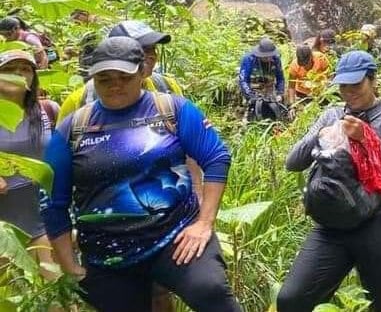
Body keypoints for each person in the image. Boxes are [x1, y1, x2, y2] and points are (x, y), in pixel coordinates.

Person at [42, 37, 239, 312]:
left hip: (176, 236)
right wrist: (69, 264)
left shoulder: (173, 109)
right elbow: (52, 199)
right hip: (107, 254)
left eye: (124, 76)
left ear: (142, 71)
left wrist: (204, 223)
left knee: (210, 291)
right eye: (104, 78)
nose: (114, 85)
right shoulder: (72, 128)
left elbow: (216, 157)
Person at [279, 51, 381, 312]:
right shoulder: (331, 115)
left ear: (373, 80)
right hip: (333, 222)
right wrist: (320, 134)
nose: (349, 91)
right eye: (343, 85)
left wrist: (368, 139)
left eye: (356, 84)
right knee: (292, 299)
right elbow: (292, 163)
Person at [0, 50, 57, 274]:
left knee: (55, 296)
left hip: (41, 217)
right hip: (4, 224)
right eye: (9, 69)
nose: (18, 74)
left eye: (25, 69)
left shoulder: (47, 111)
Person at [58, 20, 184, 122]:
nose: (151, 56)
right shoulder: (81, 100)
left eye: (153, 49)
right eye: (142, 49)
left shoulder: (167, 86)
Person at [238, 37, 286, 121]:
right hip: (253, 89)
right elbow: (243, 81)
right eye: (265, 57)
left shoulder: (276, 59)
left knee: (274, 113)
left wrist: (280, 93)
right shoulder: (249, 59)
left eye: (270, 56)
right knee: (252, 115)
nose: (268, 59)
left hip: (269, 90)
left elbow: (280, 78)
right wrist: (251, 96)